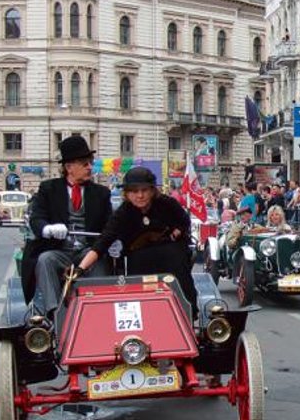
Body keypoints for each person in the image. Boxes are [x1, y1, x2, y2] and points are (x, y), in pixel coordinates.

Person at [76, 167, 195, 311]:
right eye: (134, 191)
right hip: (139, 260)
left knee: (176, 259)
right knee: (138, 263)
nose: (140, 195)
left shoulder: (168, 204)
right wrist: (80, 269)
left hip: (171, 256)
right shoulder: (122, 214)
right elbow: (102, 243)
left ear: (152, 191)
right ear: (126, 194)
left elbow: (184, 221)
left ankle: (186, 311)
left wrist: (177, 231)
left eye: (144, 190)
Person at [21, 135, 112, 315]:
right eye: (84, 163)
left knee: (101, 260)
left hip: (88, 251)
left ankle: (98, 310)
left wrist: (114, 241)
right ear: (69, 167)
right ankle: (55, 313)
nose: (90, 167)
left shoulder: (101, 193)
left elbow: (109, 224)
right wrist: (47, 229)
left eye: (90, 163)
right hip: (59, 250)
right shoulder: (48, 188)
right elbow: (37, 217)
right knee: (45, 259)